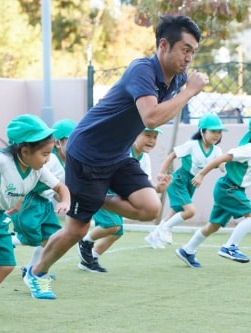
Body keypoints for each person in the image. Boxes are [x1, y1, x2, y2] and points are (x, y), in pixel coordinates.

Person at [26, 15, 208, 299]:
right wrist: (189, 93)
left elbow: (160, 114)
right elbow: (151, 117)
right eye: (185, 49)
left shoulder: (177, 80)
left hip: (117, 155)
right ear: (163, 45)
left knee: (150, 209)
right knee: (77, 229)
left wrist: (184, 90)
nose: (189, 58)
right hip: (87, 152)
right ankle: (36, 273)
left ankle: (90, 199)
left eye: (193, 52)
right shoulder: (143, 70)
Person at [0, 115, 71, 314]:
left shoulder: (37, 169)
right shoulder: (0, 160)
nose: (47, 159)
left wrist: (65, 201)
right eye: (44, 154)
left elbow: (60, 187)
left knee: (6, 265)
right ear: (24, 151)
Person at [176, 111, 251, 267]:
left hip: (234, 190)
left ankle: (187, 250)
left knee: (213, 226)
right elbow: (222, 158)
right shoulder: (248, 150)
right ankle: (230, 247)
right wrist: (201, 174)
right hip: (228, 188)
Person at [77, 129, 170, 273]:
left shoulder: (144, 158)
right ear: (133, 135)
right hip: (102, 191)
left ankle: (90, 260)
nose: (151, 140)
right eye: (147, 135)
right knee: (113, 225)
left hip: (118, 195)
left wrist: (158, 187)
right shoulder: (122, 151)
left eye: (155, 137)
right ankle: (85, 241)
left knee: (117, 232)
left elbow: (144, 182)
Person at [146, 114, 225, 249]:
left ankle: (153, 236)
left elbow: (222, 165)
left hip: (191, 184)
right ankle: (166, 228)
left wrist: (231, 168)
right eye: (213, 131)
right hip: (179, 180)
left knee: (174, 212)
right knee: (190, 211)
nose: (216, 135)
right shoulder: (192, 145)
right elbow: (172, 155)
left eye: (219, 131)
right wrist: (161, 173)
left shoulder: (217, 151)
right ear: (202, 131)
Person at [12, 119, 76, 280]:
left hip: (44, 203)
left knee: (51, 237)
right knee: (31, 238)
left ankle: (32, 269)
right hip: (31, 200)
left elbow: (54, 188)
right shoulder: (51, 160)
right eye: (72, 140)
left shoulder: (65, 163)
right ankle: (7, 239)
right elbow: (36, 177)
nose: (77, 144)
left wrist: (62, 201)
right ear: (58, 143)